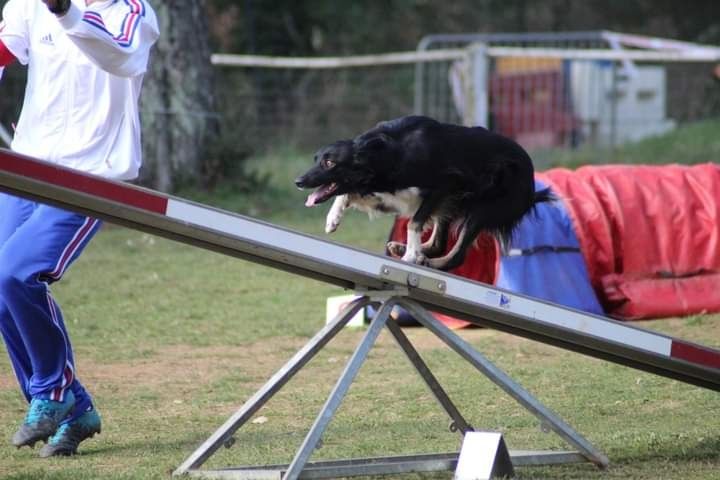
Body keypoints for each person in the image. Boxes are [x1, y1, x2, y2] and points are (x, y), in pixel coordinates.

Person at [0, 0, 159, 457]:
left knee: (17, 273)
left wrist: (65, 10)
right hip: (27, 167)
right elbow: (4, 50)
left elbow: (117, 55)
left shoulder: (135, 13)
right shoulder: (27, 4)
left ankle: (50, 392)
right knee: (1, 286)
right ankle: (76, 410)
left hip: (91, 175)